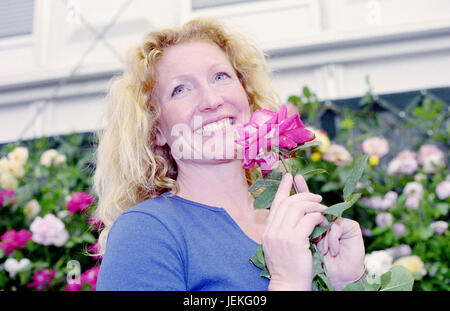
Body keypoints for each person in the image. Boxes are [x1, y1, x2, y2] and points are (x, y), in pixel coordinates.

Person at [93, 17, 365, 291]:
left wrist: (342, 282)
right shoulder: (146, 231)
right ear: (156, 130)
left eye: (220, 76)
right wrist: (288, 282)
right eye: (180, 89)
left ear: (246, 93)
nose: (212, 101)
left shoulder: (288, 224)